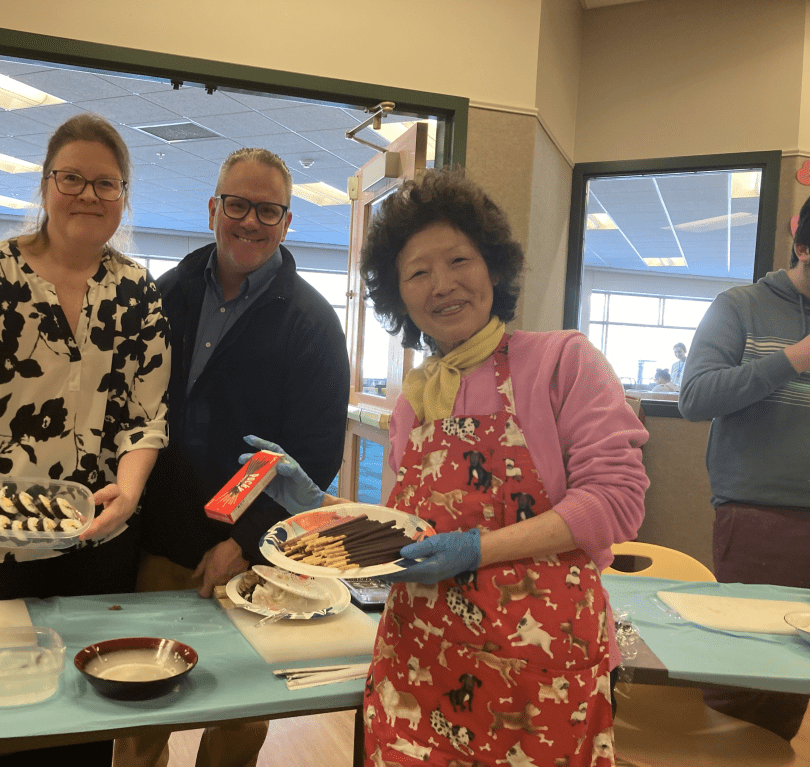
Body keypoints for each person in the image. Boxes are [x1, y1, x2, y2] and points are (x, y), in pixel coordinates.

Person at [246, 168, 648, 766]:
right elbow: (407, 533)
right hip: (421, 664)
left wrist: (479, 550)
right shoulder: (416, 399)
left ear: (493, 268)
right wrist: (319, 507)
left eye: (459, 260)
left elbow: (617, 502)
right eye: (418, 272)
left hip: (537, 672)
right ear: (399, 295)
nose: (443, 285)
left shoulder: (562, 362)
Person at [0, 113, 170, 766]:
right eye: (71, 178)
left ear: (124, 196)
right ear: (46, 184)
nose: (88, 195)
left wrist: (129, 491)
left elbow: (146, 416)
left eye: (106, 183)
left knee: (80, 728)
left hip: (96, 544)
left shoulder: (136, 292)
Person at [117, 148, 349, 767]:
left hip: (252, 557)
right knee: (139, 708)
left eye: (268, 210)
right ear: (212, 210)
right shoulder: (164, 295)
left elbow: (315, 455)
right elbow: (136, 416)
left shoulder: (313, 323)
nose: (250, 221)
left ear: (287, 222)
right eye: (237, 205)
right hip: (160, 541)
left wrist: (244, 542)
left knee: (241, 713)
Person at [678, 193, 810, 741]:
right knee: (746, 674)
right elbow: (695, 398)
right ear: (803, 247)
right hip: (760, 515)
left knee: (796, 681)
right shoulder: (740, 306)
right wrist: (795, 358)